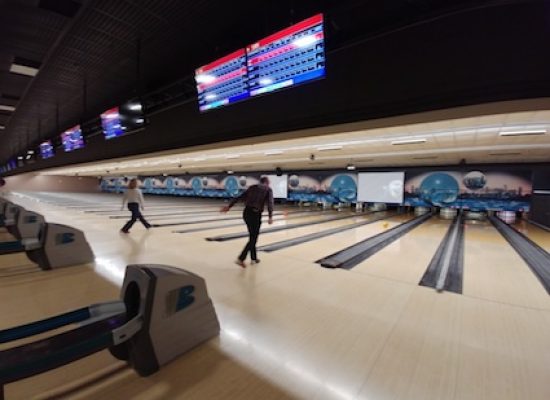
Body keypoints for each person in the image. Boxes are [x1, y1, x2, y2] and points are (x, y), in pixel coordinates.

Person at [221, 176, 274, 268]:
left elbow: (239, 197)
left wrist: (229, 207)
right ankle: (241, 258)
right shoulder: (268, 189)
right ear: (267, 182)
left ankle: (254, 258)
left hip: (246, 213)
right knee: (253, 238)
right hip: (255, 215)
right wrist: (270, 216)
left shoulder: (252, 187)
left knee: (252, 236)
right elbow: (270, 203)